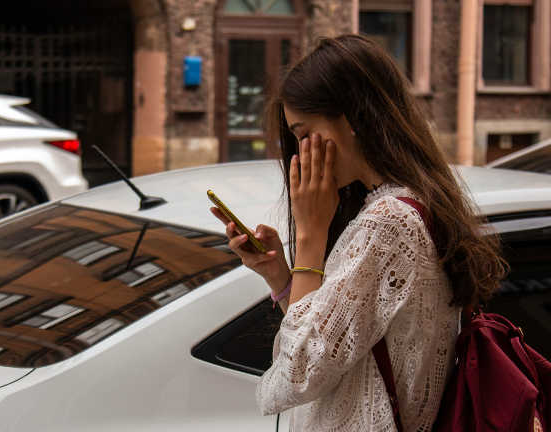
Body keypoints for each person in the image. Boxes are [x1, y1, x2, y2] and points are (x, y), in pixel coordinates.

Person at [210, 34, 506, 431]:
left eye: (303, 133)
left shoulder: (389, 224)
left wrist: (312, 238)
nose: (299, 153)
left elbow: (298, 372)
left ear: (351, 119)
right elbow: (333, 342)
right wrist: (280, 275)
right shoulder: (402, 207)